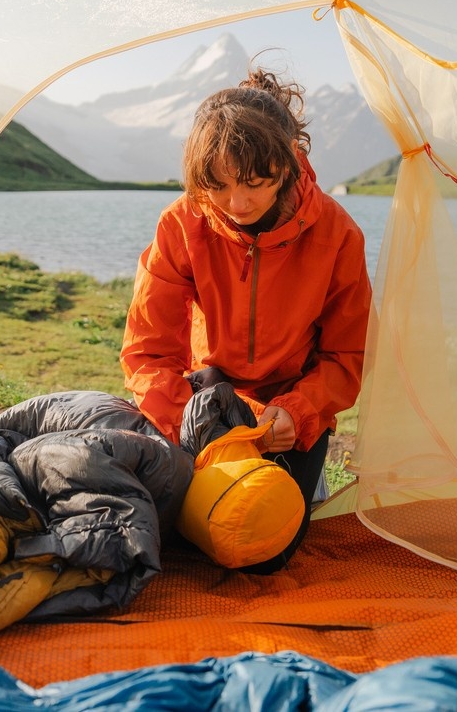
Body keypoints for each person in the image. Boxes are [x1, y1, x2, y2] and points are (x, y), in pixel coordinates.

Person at [120, 64, 373, 572]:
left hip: (289, 406)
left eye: (255, 184)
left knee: (263, 551)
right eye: (218, 186)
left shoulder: (338, 234)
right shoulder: (182, 222)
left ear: (287, 164)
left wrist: (299, 413)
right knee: (170, 533)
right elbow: (148, 351)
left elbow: (347, 356)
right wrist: (188, 426)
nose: (237, 204)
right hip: (205, 397)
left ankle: (302, 472)